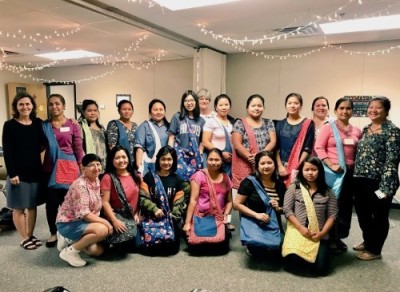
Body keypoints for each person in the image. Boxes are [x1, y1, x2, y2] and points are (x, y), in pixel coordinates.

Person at [352, 96, 400, 261]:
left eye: (378, 107)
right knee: (362, 213)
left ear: (386, 111)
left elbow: (392, 160)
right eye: (371, 107)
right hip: (360, 179)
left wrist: (386, 187)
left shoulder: (392, 131)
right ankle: (368, 241)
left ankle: (375, 249)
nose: (373, 110)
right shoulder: (366, 129)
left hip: (379, 181)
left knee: (379, 215)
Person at [314, 97, 362, 253]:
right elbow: (319, 147)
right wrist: (331, 164)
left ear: (352, 111)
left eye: (348, 108)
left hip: (350, 174)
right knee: (331, 206)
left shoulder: (357, 131)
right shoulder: (329, 127)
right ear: (335, 111)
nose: (344, 111)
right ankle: (328, 238)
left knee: (345, 206)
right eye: (341, 108)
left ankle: (338, 237)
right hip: (332, 173)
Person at [2, 92, 45, 250]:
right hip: (18, 174)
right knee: (19, 207)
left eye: (27, 104)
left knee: (32, 206)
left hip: (35, 171)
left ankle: (30, 234)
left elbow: (43, 143)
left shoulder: (37, 123)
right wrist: (12, 173)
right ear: (16, 107)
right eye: (21, 104)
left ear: (32, 106)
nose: (25, 107)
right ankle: (23, 237)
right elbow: (8, 151)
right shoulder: (10, 125)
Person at [282, 156, 338, 275]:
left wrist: (322, 234)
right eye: (306, 170)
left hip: (319, 233)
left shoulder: (328, 192)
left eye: (314, 169)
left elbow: (332, 215)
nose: (310, 173)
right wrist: (300, 228)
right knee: (293, 260)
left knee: (321, 269)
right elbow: (287, 210)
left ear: (320, 171)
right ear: (301, 171)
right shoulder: (294, 188)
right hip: (298, 230)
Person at [56, 154, 113, 267]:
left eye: (98, 164)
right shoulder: (80, 185)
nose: (96, 168)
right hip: (69, 222)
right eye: (91, 165)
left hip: (85, 222)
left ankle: (70, 240)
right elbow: (85, 214)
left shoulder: (96, 180)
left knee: (96, 251)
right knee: (102, 230)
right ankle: (70, 252)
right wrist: (106, 222)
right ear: (83, 168)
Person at [42, 93, 84, 248]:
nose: (54, 107)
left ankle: (70, 232)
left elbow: (78, 148)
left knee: (70, 202)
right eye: (51, 104)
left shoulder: (73, 125)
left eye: (58, 103)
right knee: (51, 203)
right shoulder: (44, 126)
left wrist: (82, 167)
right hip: (51, 168)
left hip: (69, 168)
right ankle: (53, 233)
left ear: (64, 106)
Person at [234, 151, 286, 257]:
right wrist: (256, 215)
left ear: (275, 164)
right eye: (262, 163)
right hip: (254, 220)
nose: (266, 166)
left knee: (277, 250)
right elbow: (237, 204)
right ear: (257, 166)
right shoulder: (249, 182)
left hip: (272, 222)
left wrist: (278, 207)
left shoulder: (280, 185)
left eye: (269, 163)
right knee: (257, 250)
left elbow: (285, 209)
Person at [183, 148, 233, 253]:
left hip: (218, 218)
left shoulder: (226, 178)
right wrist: (187, 223)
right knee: (195, 246)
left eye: (217, 160)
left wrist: (226, 218)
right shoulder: (199, 175)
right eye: (211, 159)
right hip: (201, 216)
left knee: (223, 247)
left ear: (222, 161)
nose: (213, 163)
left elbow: (229, 201)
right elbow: (193, 200)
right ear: (206, 160)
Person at [140, 145, 187, 255]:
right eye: (163, 159)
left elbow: (180, 203)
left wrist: (173, 215)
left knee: (171, 249)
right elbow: (142, 198)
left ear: (174, 160)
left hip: (170, 220)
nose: (166, 162)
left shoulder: (178, 180)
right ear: (158, 160)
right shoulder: (149, 177)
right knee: (148, 248)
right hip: (152, 217)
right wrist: (154, 209)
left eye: (169, 159)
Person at [101, 145, 142, 248]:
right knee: (129, 242)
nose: (121, 160)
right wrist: (115, 221)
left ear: (128, 158)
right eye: (117, 158)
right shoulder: (108, 177)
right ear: (112, 160)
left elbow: (140, 198)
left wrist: (137, 213)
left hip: (133, 216)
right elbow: (104, 202)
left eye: (124, 157)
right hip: (118, 216)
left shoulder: (135, 175)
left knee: (137, 244)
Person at [232, 94, 276, 190]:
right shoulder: (239, 123)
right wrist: (251, 158)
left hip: (264, 164)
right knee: (244, 193)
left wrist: (259, 156)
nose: (257, 108)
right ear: (247, 108)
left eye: (259, 106)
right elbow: (236, 143)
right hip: (244, 163)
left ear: (263, 108)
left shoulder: (269, 122)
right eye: (253, 106)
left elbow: (273, 141)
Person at [276, 93, 314, 187]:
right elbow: (276, 148)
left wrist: (297, 167)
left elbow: (307, 148)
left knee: (295, 195)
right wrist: (280, 166)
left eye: (296, 103)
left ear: (301, 106)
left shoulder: (308, 124)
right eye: (289, 103)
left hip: (299, 166)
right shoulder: (279, 124)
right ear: (286, 106)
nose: (292, 105)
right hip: (281, 167)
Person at [168, 90, 205, 181]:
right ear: (183, 103)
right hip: (179, 156)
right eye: (186, 101)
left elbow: (202, 141)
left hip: (194, 157)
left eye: (191, 100)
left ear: (196, 102)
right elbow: (171, 137)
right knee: (179, 182)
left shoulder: (201, 121)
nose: (189, 103)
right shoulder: (177, 117)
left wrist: (199, 154)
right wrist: (169, 153)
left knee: (194, 182)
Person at [202, 94, 235, 176]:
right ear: (216, 107)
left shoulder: (233, 123)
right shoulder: (211, 121)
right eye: (221, 105)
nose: (224, 107)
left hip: (230, 162)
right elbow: (205, 142)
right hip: (215, 160)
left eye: (226, 105)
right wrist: (221, 154)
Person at [135, 99, 169, 176]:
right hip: (149, 166)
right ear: (150, 112)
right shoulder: (144, 126)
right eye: (155, 110)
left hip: (166, 166)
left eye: (161, 109)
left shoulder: (170, 127)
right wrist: (139, 169)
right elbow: (139, 148)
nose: (158, 112)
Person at [106, 100, 137, 165]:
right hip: (120, 161)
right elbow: (112, 147)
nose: (127, 112)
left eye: (129, 109)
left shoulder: (135, 125)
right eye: (124, 109)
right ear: (119, 111)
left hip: (134, 162)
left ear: (132, 111)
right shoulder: (114, 124)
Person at [78, 99, 107, 169]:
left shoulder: (102, 128)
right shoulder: (80, 126)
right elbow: (79, 147)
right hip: (90, 164)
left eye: (95, 110)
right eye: (89, 111)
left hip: (104, 163)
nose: (93, 113)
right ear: (83, 112)